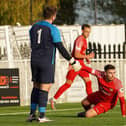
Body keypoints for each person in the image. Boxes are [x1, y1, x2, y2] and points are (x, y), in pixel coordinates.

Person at [27, 6, 81, 123]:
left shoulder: (33, 27)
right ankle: (41, 116)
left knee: (36, 86)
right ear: (53, 16)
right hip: (46, 61)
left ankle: (31, 114)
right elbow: (60, 46)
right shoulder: (53, 29)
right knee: (45, 87)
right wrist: (72, 61)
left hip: (34, 60)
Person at [50, 24, 94, 109]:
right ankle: (53, 99)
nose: (88, 33)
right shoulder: (80, 40)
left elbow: (81, 53)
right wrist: (87, 56)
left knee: (88, 82)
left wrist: (86, 58)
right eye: (86, 32)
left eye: (89, 32)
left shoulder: (84, 40)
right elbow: (76, 54)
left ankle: (91, 101)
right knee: (68, 84)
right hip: (75, 65)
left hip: (81, 65)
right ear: (82, 31)